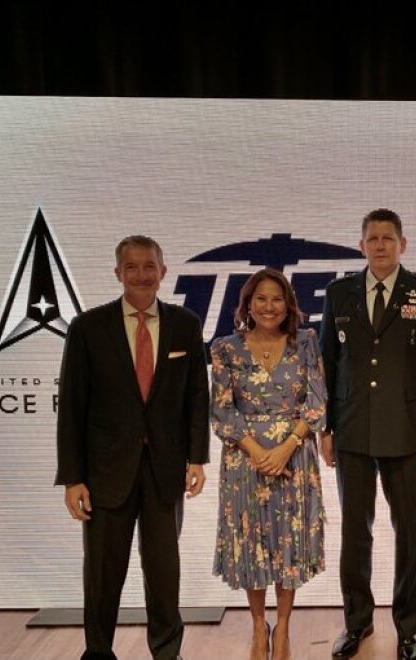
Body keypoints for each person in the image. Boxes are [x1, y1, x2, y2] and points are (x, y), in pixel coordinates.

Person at [55, 235, 209, 660]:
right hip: (105, 473)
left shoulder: (186, 324)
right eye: (132, 267)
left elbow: (198, 395)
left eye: (149, 266)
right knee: (103, 572)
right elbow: (72, 407)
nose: (141, 274)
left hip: (166, 469)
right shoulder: (88, 327)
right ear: (118, 273)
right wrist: (73, 478)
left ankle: (166, 652)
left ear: (163, 271)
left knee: (163, 571)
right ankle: (99, 652)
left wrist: (197, 456)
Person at [319, 208, 416, 660]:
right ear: (361, 245)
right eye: (372, 238)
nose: (380, 245)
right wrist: (326, 428)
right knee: (356, 533)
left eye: (388, 238)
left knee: (409, 533)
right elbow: (327, 367)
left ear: (402, 244)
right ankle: (356, 623)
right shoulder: (339, 293)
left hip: (409, 435)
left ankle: (408, 630)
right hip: (352, 430)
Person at [210, 268, 327, 660]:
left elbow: (316, 404)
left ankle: (285, 630)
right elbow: (222, 411)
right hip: (246, 464)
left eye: (277, 298)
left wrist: (285, 448)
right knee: (253, 547)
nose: (269, 306)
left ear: (288, 304)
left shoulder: (307, 342)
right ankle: (260, 626)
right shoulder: (225, 348)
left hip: (294, 459)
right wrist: (257, 451)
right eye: (260, 298)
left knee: (288, 547)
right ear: (247, 304)